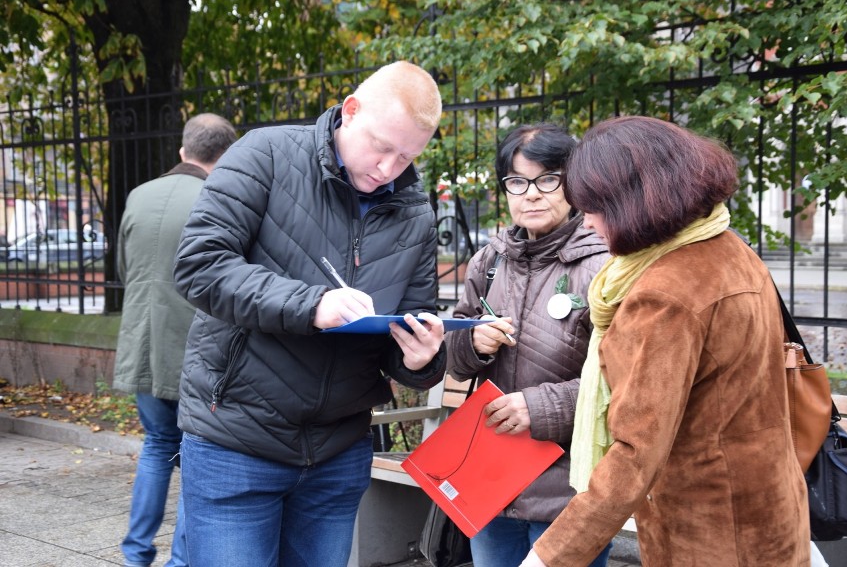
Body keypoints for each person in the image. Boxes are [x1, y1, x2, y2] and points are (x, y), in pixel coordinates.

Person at [172, 61, 448, 567]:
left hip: (337, 451)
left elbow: (406, 327)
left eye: (407, 156)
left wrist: (422, 357)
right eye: (382, 147)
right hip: (237, 439)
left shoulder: (416, 214)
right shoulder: (267, 154)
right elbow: (200, 266)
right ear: (351, 110)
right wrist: (311, 304)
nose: (389, 168)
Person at [520, 116, 811, 566]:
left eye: (594, 207)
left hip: (708, 531)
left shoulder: (664, 293)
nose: (588, 220)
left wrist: (548, 556)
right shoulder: (725, 246)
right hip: (767, 508)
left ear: (631, 202)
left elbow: (635, 452)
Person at [446, 124, 612, 567]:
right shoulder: (491, 259)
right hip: (491, 479)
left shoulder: (604, 264)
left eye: (547, 180)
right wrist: (473, 342)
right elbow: (455, 353)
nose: (531, 194)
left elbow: (626, 380)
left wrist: (538, 409)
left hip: (569, 486)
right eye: (517, 182)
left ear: (574, 184)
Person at [113, 112, 237, 567]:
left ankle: (135, 553)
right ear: (224, 155)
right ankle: (182, 560)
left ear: (184, 149)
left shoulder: (139, 195)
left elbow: (126, 273)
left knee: (156, 447)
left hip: (143, 350)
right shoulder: (219, 196)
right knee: (198, 459)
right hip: (194, 354)